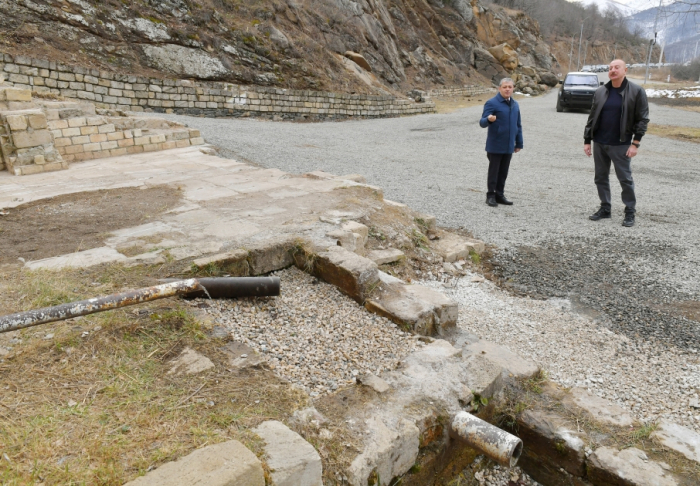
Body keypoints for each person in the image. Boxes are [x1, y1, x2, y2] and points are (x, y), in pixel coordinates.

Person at [584, 59, 649, 227]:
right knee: (600, 177)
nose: (613, 70)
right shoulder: (601, 91)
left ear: (625, 70)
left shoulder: (636, 91)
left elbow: (642, 119)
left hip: (621, 144)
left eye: (616, 67)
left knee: (625, 179)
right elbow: (592, 117)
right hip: (600, 142)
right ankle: (605, 208)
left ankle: (629, 211)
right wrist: (587, 140)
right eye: (610, 68)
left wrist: (635, 143)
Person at [479, 78, 523, 207]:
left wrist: (519, 143)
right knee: (494, 171)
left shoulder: (515, 104)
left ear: (513, 88)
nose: (507, 89)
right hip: (495, 144)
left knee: (503, 171)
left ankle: (500, 194)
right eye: (505, 87)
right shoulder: (492, 103)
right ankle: (491, 195)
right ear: (499, 88)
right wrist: (489, 119)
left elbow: (518, 125)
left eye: (510, 87)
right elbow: (482, 122)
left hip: (509, 144)